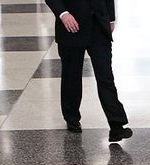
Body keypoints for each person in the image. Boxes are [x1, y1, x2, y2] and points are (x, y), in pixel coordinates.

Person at [44, 0, 132, 142]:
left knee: (106, 77)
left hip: (99, 25)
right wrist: (63, 13)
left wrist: (110, 18)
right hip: (71, 26)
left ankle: (116, 125)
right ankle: (71, 117)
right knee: (71, 77)